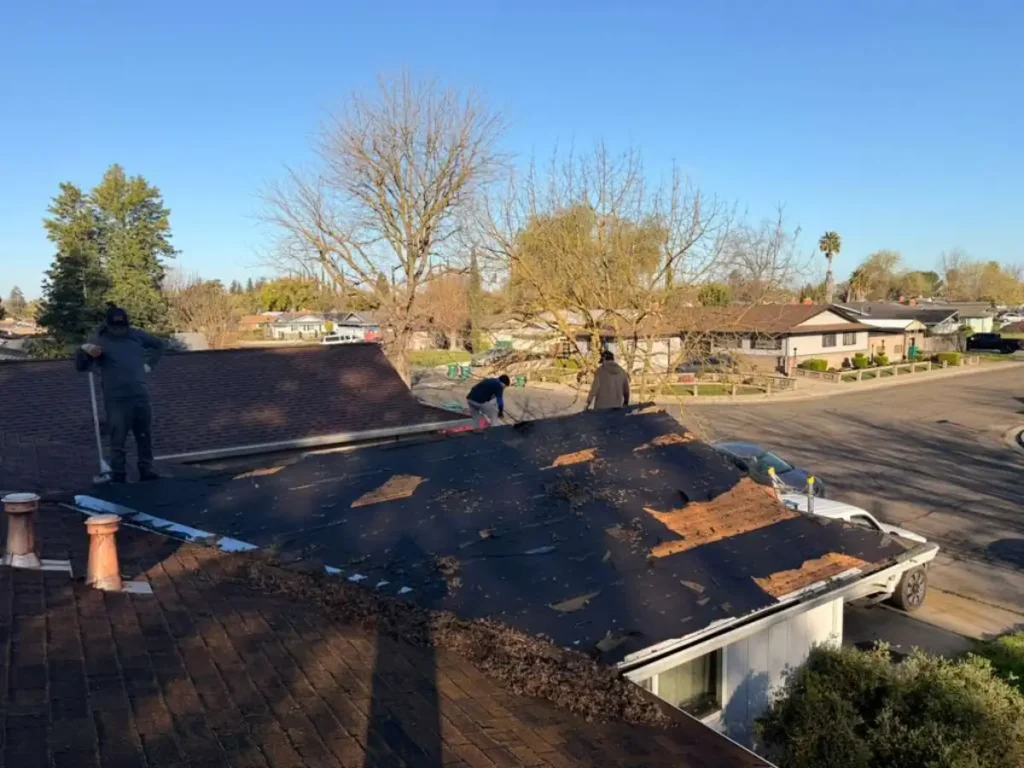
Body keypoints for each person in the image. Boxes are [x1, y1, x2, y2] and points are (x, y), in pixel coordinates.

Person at [75, 306, 165, 483]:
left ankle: (146, 469)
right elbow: (81, 366)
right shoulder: (100, 340)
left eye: (122, 326)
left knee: (144, 435)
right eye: (115, 327)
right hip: (116, 398)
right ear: (108, 325)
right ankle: (118, 474)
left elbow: (159, 345)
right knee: (118, 438)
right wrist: (83, 352)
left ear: (127, 324)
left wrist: (150, 364)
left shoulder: (137, 336)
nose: (119, 330)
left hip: (139, 394)